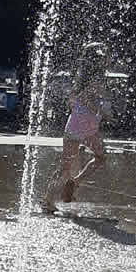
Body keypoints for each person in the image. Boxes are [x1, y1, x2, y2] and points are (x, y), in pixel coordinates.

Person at [44, 42, 109, 214]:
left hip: (80, 127)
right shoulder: (95, 79)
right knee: (96, 159)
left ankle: (61, 191)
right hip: (85, 128)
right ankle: (64, 189)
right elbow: (90, 101)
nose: (108, 58)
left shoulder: (81, 78)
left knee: (69, 165)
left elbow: (72, 101)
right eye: (105, 55)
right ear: (98, 59)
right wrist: (103, 112)